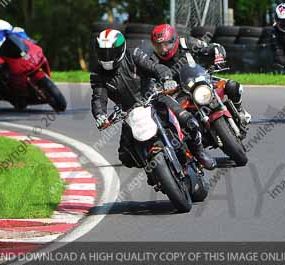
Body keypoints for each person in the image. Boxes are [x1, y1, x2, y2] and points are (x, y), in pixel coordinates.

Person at [90, 28, 216, 171]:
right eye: (103, 53)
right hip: (129, 112)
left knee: (190, 122)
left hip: (155, 98)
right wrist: (100, 115)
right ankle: (155, 171)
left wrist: (166, 78)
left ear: (121, 49)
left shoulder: (133, 55)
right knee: (127, 157)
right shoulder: (97, 74)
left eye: (111, 52)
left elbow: (154, 67)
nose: (107, 57)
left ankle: (199, 152)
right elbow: (99, 98)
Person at [150, 23, 252, 127]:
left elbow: (209, 47)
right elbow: (148, 78)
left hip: (201, 78)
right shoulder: (153, 60)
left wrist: (218, 55)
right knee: (176, 117)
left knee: (232, 86)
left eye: (166, 44)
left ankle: (239, 111)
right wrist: (156, 87)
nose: (163, 50)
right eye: (159, 46)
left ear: (174, 40)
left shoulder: (186, 43)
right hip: (179, 92)